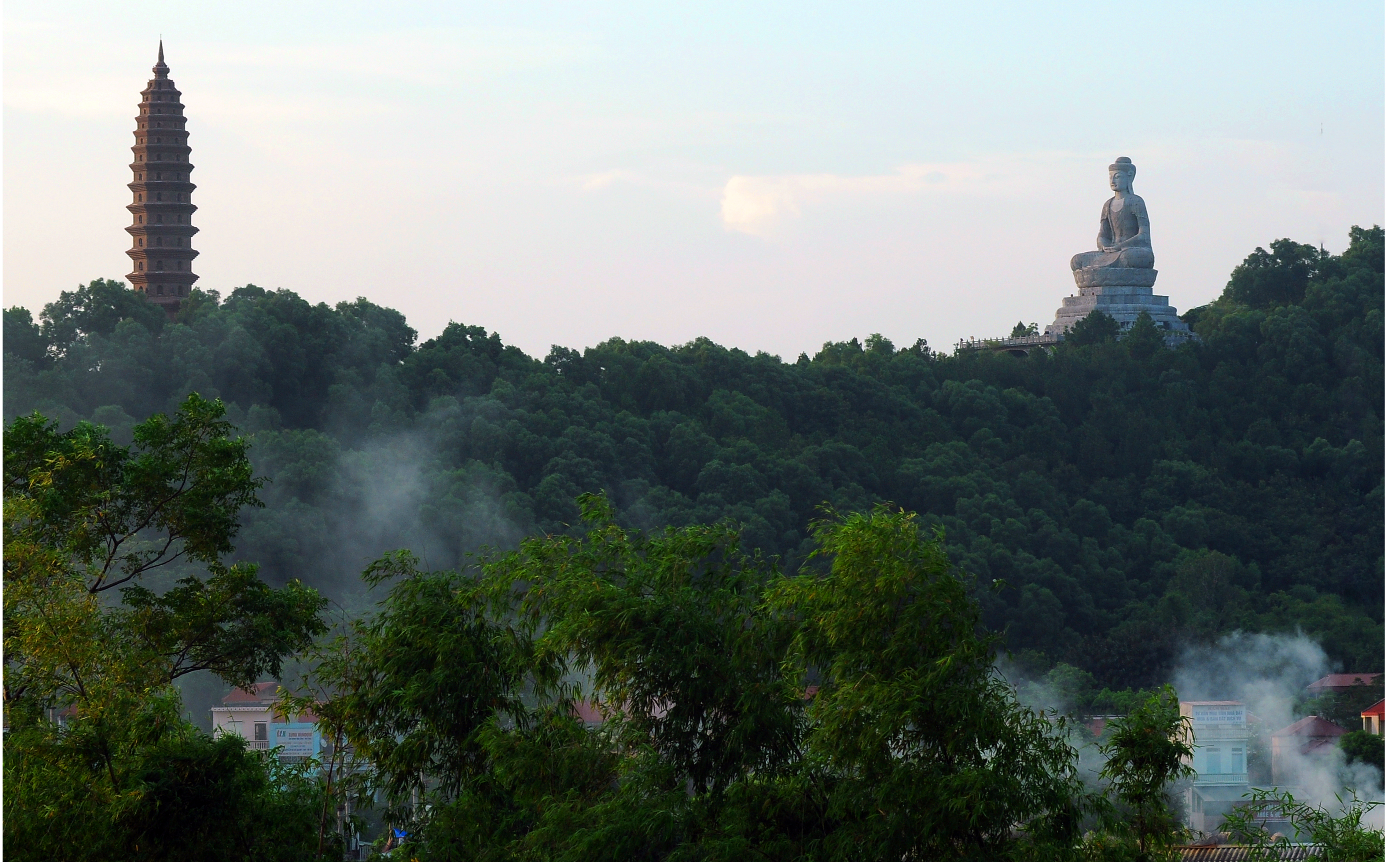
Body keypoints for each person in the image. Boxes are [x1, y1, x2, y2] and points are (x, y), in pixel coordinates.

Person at [1070, 157, 1154, 271]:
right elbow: (1103, 234)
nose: (1113, 181)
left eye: (1117, 177)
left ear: (1129, 177)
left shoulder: (1136, 201)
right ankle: (1107, 265)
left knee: (1128, 258)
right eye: (1110, 177)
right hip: (1110, 253)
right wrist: (1104, 245)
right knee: (1077, 261)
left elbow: (1143, 235)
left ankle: (1108, 266)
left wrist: (1121, 246)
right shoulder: (1108, 204)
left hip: (1131, 251)